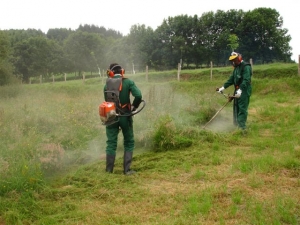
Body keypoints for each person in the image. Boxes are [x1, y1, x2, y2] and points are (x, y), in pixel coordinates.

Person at [104, 63, 142, 175]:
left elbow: (107, 102)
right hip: (125, 116)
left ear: (110, 73)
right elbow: (138, 95)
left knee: (111, 143)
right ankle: (127, 170)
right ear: (122, 72)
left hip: (111, 116)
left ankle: (109, 171)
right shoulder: (128, 82)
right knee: (129, 142)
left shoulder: (106, 85)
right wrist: (134, 106)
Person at [217, 52, 252, 131]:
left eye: (235, 60)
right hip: (237, 90)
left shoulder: (246, 67)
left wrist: (241, 89)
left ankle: (242, 128)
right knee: (236, 107)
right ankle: (236, 126)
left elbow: (246, 80)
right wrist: (223, 87)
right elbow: (231, 79)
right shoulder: (236, 68)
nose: (234, 62)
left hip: (244, 90)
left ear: (239, 58)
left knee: (242, 108)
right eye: (232, 61)